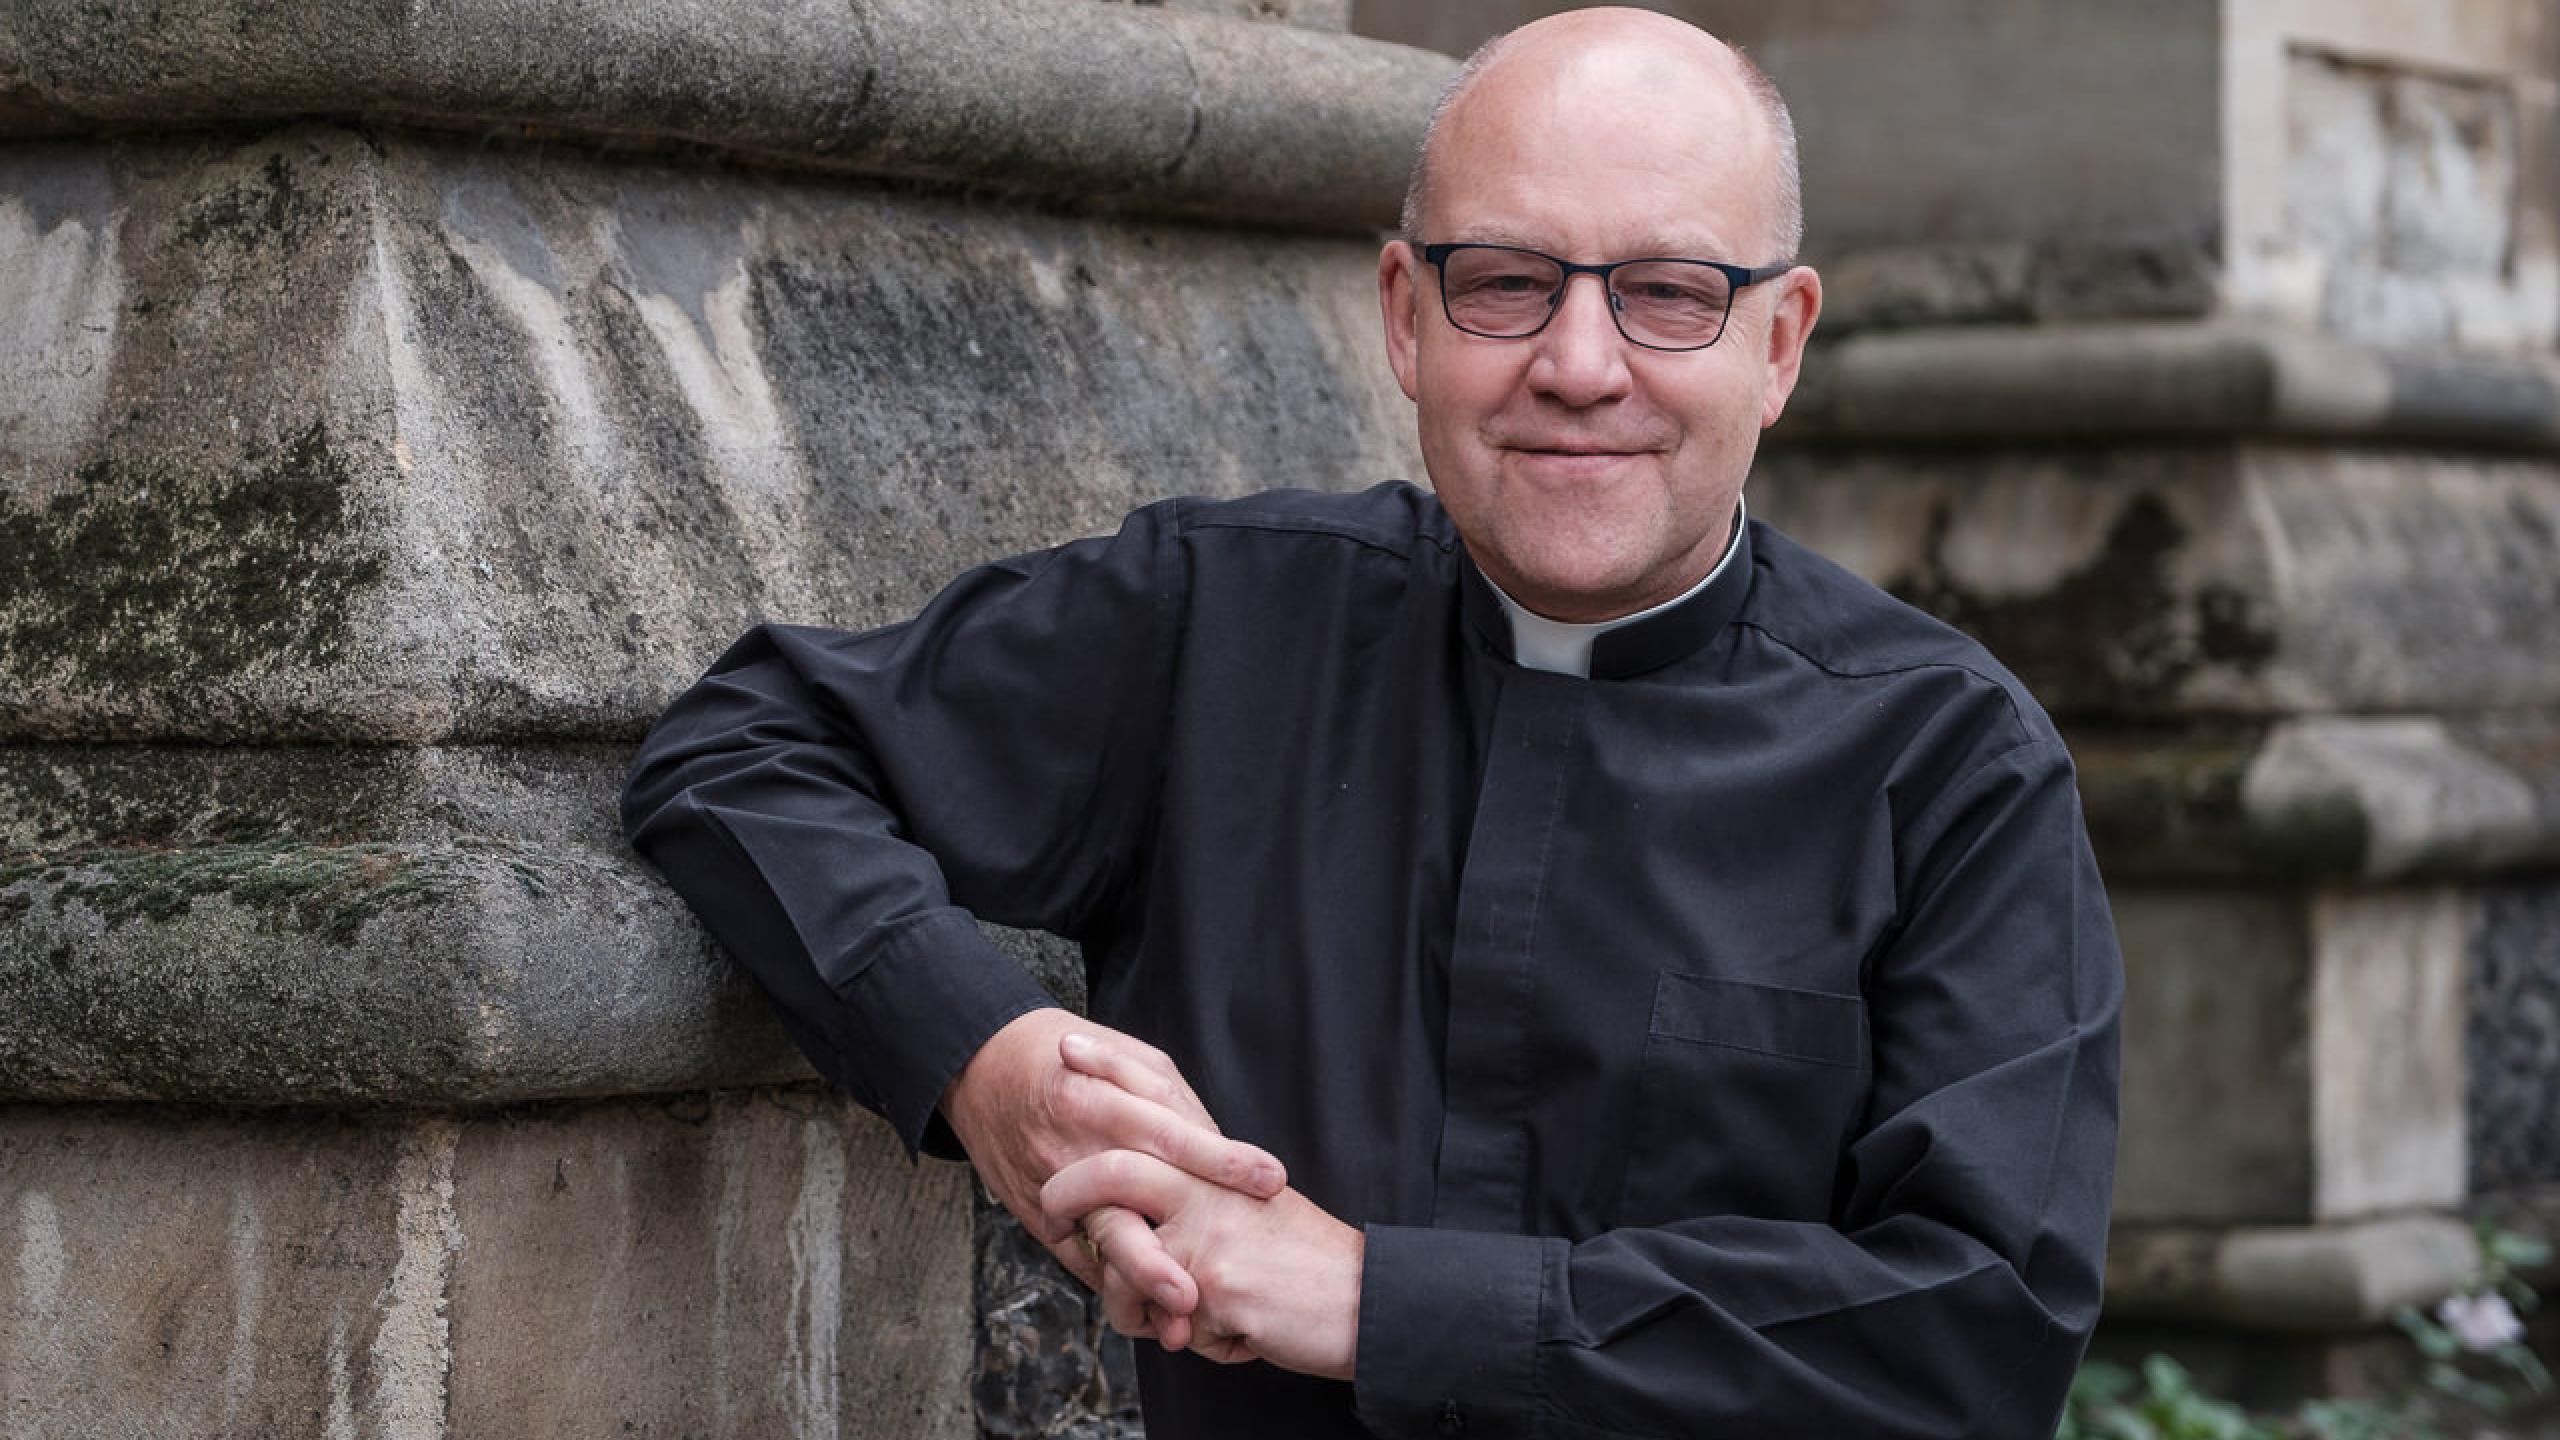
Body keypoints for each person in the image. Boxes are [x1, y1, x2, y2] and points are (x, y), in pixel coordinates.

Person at [621, 7, 2122, 1437]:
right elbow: (742, 747)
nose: (1578, 366)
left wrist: (1373, 1301)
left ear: (1778, 343)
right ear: (1405, 317)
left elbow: (1975, 1336)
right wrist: (989, 1058)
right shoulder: (1210, 624)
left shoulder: (1951, 765)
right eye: (1506, 282)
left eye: (1670, 294)